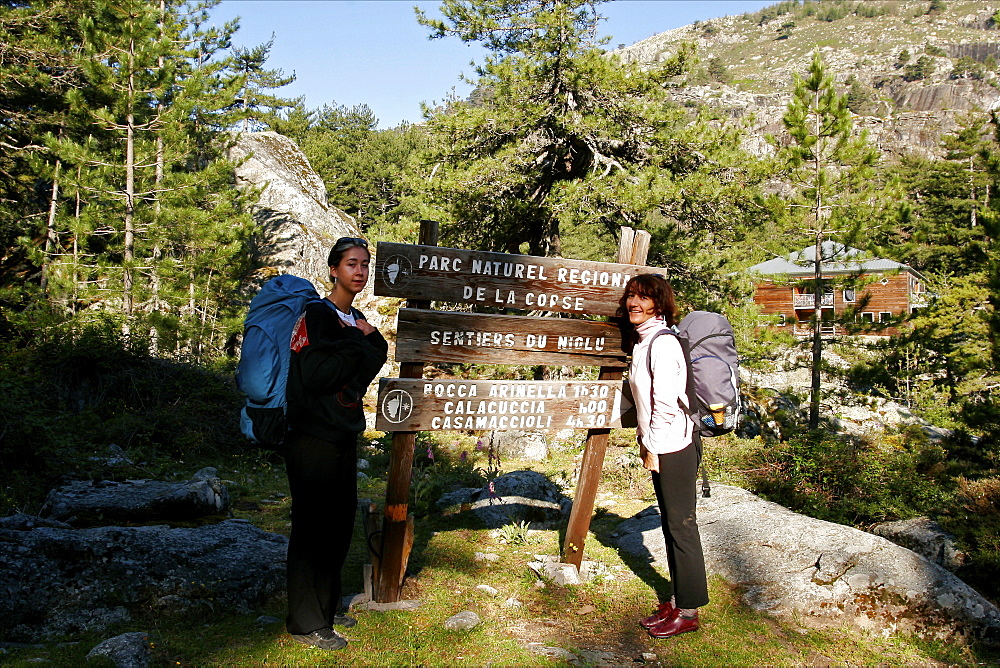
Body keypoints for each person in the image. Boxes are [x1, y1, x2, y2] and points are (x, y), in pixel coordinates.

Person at [283, 237, 388, 651]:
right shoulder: (316, 315)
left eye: (364, 264)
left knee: (339, 525)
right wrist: (358, 342)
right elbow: (317, 376)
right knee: (313, 528)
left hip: (342, 433)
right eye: (350, 264)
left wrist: (369, 338)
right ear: (333, 270)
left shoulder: (356, 317)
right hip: (310, 437)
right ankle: (306, 624)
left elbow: (375, 356)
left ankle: (325, 609)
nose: (359, 271)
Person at [619, 273, 709, 639]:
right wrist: (646, 441)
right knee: (674, 525)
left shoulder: (664, 343)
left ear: (659, 303)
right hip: (661, 443)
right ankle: (677, 600)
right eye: (630, 296)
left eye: (643, 298)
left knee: (681, 526)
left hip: (675, 446)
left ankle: (688, 612)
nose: (633, 303)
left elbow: (666, 404)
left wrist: (653, 446)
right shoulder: (643, 343)